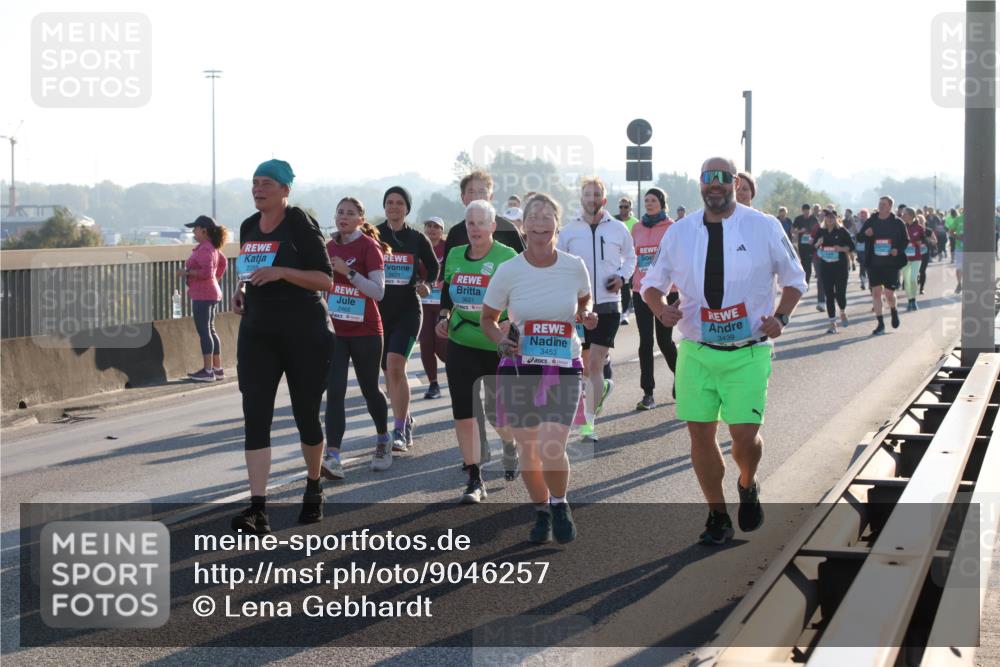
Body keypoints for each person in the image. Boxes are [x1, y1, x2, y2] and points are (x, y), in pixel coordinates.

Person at [641, 156, 807, 546]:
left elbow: (795, 279)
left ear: (734, 182)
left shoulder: (764, 226)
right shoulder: (680, 232)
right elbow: (651, 283)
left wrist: (780, 318)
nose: (714, 185)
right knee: (700, 436)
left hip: (748, 351)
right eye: (707, 178)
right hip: (697, 350)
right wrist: (660, 308)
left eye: (722, 178)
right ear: (700, 184)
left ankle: (747, 484)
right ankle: (717, 515)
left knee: (744, 437)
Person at [481, 192, 597, 544]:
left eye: (548, 216)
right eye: (534, 216)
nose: (541, 222)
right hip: (520, 368)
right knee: (529, 450)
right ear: (523, 225)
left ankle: (560, 503)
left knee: (551, 445)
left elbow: (583, 300)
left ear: (556, 225)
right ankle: (542, 510)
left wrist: (585, 314)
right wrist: (501, 341)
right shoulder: (509, 270)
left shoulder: (574, 265)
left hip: (563, 365)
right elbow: (488, 319)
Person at [231, 159, 335, 533]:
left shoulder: (299, 224)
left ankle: (313, 487)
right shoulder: (247, 226)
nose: (258, 189)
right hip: (258, 333)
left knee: (306, 415)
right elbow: (250, 268)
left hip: (304, 334)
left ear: (285, 190)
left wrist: (282, 272)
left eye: (267, 183)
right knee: (255, 416)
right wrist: (241, 289)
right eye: (255, 182)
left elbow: (325, 280)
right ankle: (257, 507)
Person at [435, 200, 519, 502]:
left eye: (481, 223)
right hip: (461, 341)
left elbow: (520, 296)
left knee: (499, 417)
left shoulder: (507, 257)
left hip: (496, 344)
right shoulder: (456, 254)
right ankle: (474, 478)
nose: (475, 229)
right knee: (464, 412)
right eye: (470, 223)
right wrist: (443, 317)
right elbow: (447, 291)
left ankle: (510, 445)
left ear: (493, 226)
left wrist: (513, 326)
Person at [556, 177, 637, 442]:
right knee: (583, 366)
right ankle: (600, 389)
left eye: (597, 194)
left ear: (604, 199)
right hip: (578, 306)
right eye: (587, 194)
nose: (592, 198)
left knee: (594, 362)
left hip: (608, 305)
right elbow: (558, 264)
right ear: (581, 198)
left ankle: (588, 424)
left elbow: (631, 257)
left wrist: (622, 277)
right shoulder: (568, 231)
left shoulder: (617, 228)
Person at [324, 197, 392, 475]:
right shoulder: (327, 247)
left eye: (350, 213)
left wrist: (348, 271)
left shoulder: (368, 246)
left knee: (369, 389)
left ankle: (383, 438)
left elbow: (378, 292)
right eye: (340, 211)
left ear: (360, 220)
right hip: (336, 331)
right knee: (335, 391)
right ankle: (333, 456)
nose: (343, 216)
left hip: (365, 329)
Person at [377, 186, 441, 453]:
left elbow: (435, 266)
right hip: (378, 312)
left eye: (399, 203)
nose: (394, 207)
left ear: (407, 208)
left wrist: (426, 283)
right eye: (390, 202)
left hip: (408, 310)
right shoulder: (374, 235)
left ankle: (400, 428)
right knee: (388, 373)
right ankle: (406, 417)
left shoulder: (416, 238)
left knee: (395, 366)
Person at [631, 187, 677, 410]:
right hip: (641, 291)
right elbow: (632, 257)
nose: (649, 203)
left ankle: (682, 378)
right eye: (646, 200)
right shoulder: (637, 228)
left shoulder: (672, 228)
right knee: (645, 342)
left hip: (666, 291)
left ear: (662, 203)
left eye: (653, 200)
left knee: (664, 341)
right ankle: (648, 393)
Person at [178, 215, 229, 381]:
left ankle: (208, 371)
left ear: (204, 231)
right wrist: (216, 281)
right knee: (211, 329)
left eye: (195, 228)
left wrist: (186, 272)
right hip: (211, 293)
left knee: (204, 331)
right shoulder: (212, 247)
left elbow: (206, 272)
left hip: (203, 294)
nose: (193, 232)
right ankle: (217, 368)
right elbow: (223, 262)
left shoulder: (205, 249)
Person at [444, 170, 526, 256]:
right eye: (471, 192)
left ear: (491, 197)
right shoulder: (455, 233)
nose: (477, 197)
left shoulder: (508, 230)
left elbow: (523, 266)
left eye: (482, 192)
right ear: (462, 197)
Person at [859, 195, 909, 335]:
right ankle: (880, 323)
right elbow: (859, 237)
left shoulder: (897, 222)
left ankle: (893, 310)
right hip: (874, 263)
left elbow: (905, 241)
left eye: (884, 204)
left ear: (890, 207)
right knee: (876, 293)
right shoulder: (872, 220)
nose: (881, 206)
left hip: (891, 264)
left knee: (889, 294)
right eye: (880, 203)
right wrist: (866, 234)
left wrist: (897, 250)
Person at [418, 216, 449, 399]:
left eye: (436, 226)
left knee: (442, 345)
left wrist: (447, 281)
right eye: (428, 225)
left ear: (441, 230)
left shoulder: (448, 246)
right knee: (426, 344)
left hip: (443, 304)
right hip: (423, 303)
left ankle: (456, 370)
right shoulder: (420, 245)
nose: (431, 229)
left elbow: (456, 268)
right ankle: (433, 384)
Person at [811, 209, 853, 332]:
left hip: (840, 267)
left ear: (836, 219)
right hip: (826, 267)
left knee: (840, 294)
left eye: (832, 217)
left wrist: (840, 248)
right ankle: (832, 323)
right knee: (829, 295)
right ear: (825, 219)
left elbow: (851, 246)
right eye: (828, 217)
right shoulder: (821, 231)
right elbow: (813, 246)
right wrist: (818, 243)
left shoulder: (842, 231)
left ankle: (842, 311)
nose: (830, 220)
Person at [615, 196, 640, 325]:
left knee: (626, 286)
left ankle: (624, 313)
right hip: (614, 259)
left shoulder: (635, 223)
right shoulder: (612, 221)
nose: (623, 209)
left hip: (629, 259)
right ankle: (620, 310)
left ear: (630, 208)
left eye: (626, 207)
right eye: (621, 207)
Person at [792, 204, 819, 286]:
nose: (807, 213)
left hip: (810, 245)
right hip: (802, 245)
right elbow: (792, 230)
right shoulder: (798, 219)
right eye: (805, 211)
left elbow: (818, 230)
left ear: (810, 210)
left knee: (808, 263)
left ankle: (807, 282)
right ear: (802, 211)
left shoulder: (813, 219)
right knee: (803, 263)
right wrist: (800, 231)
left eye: (808, 211)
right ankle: (803, 281)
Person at [946, 208, 964, 293]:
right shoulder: (958, 219)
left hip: (972, 249)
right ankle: (959, 284)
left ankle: (968, 284)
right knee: (959, 267)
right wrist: (958, 237)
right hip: (960, 247)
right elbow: (950, 231)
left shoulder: (976, 218)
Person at [916, 213, 935, 295]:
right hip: (914, 254)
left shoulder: (928, 231)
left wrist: (928, 240)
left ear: (924, 222)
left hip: (925, 253)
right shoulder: (913, 230)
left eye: (921, 221)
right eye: (918, 221)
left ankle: (921, 288)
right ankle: (915, 282)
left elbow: (935, 241)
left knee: (922, 271)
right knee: (916, 270)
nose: (920, 223)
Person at [855, 208, 870, 290]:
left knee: (868, 264)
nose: (863, 216)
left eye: (865, 214)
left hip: (869, 247)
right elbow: (856, 234)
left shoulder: (871, 223)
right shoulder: (857, 224)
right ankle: (863, 281)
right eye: (862, 214)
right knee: (862, 264)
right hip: (860, 247)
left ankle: (871, 281)